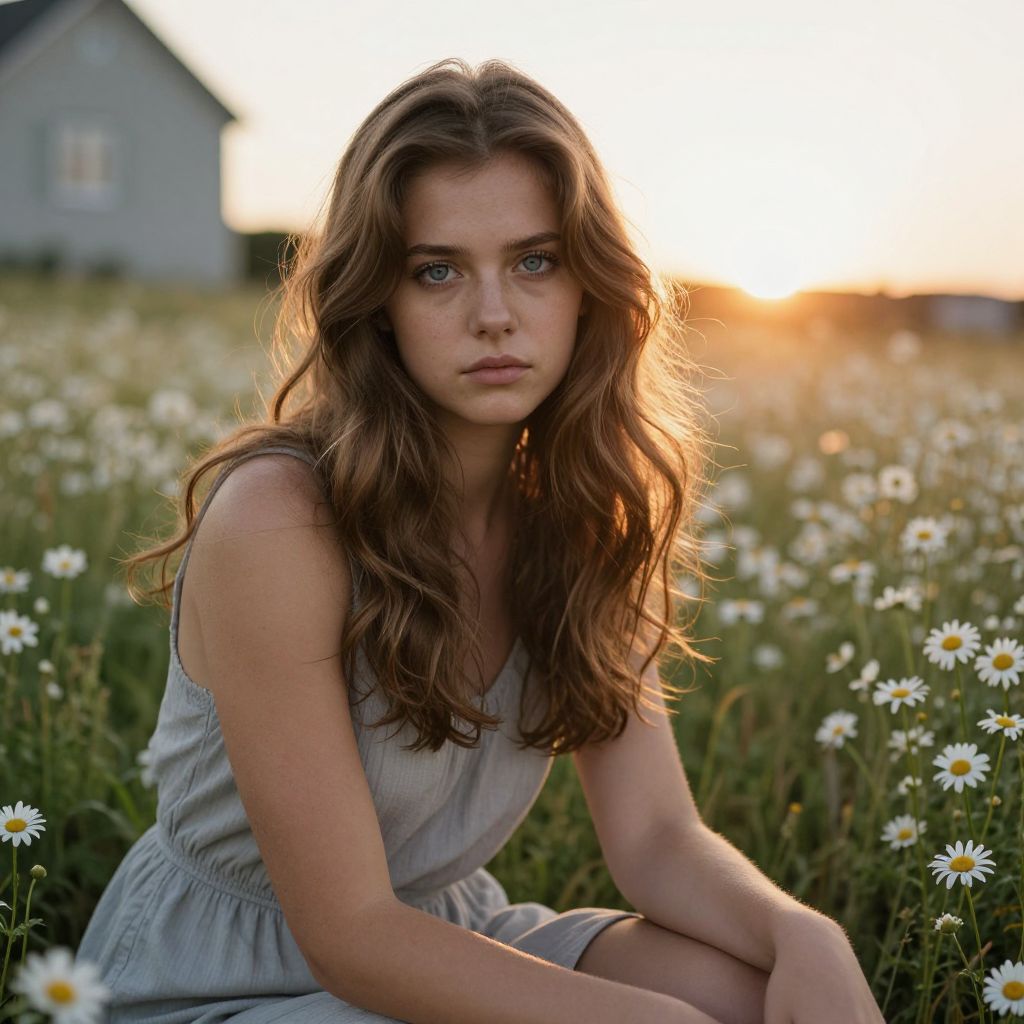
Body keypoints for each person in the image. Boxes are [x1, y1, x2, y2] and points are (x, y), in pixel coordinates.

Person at [78, 57, 884, 1024]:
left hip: (445, 934)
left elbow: (659, 838)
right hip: (226, 979)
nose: (494, 314)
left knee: (755, 991)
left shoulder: (585, 515)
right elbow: (350, 935)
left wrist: (806, 934)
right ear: (377, 298)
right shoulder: (280, 520)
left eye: (534, 262)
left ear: (590, 285)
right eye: (438, 271)